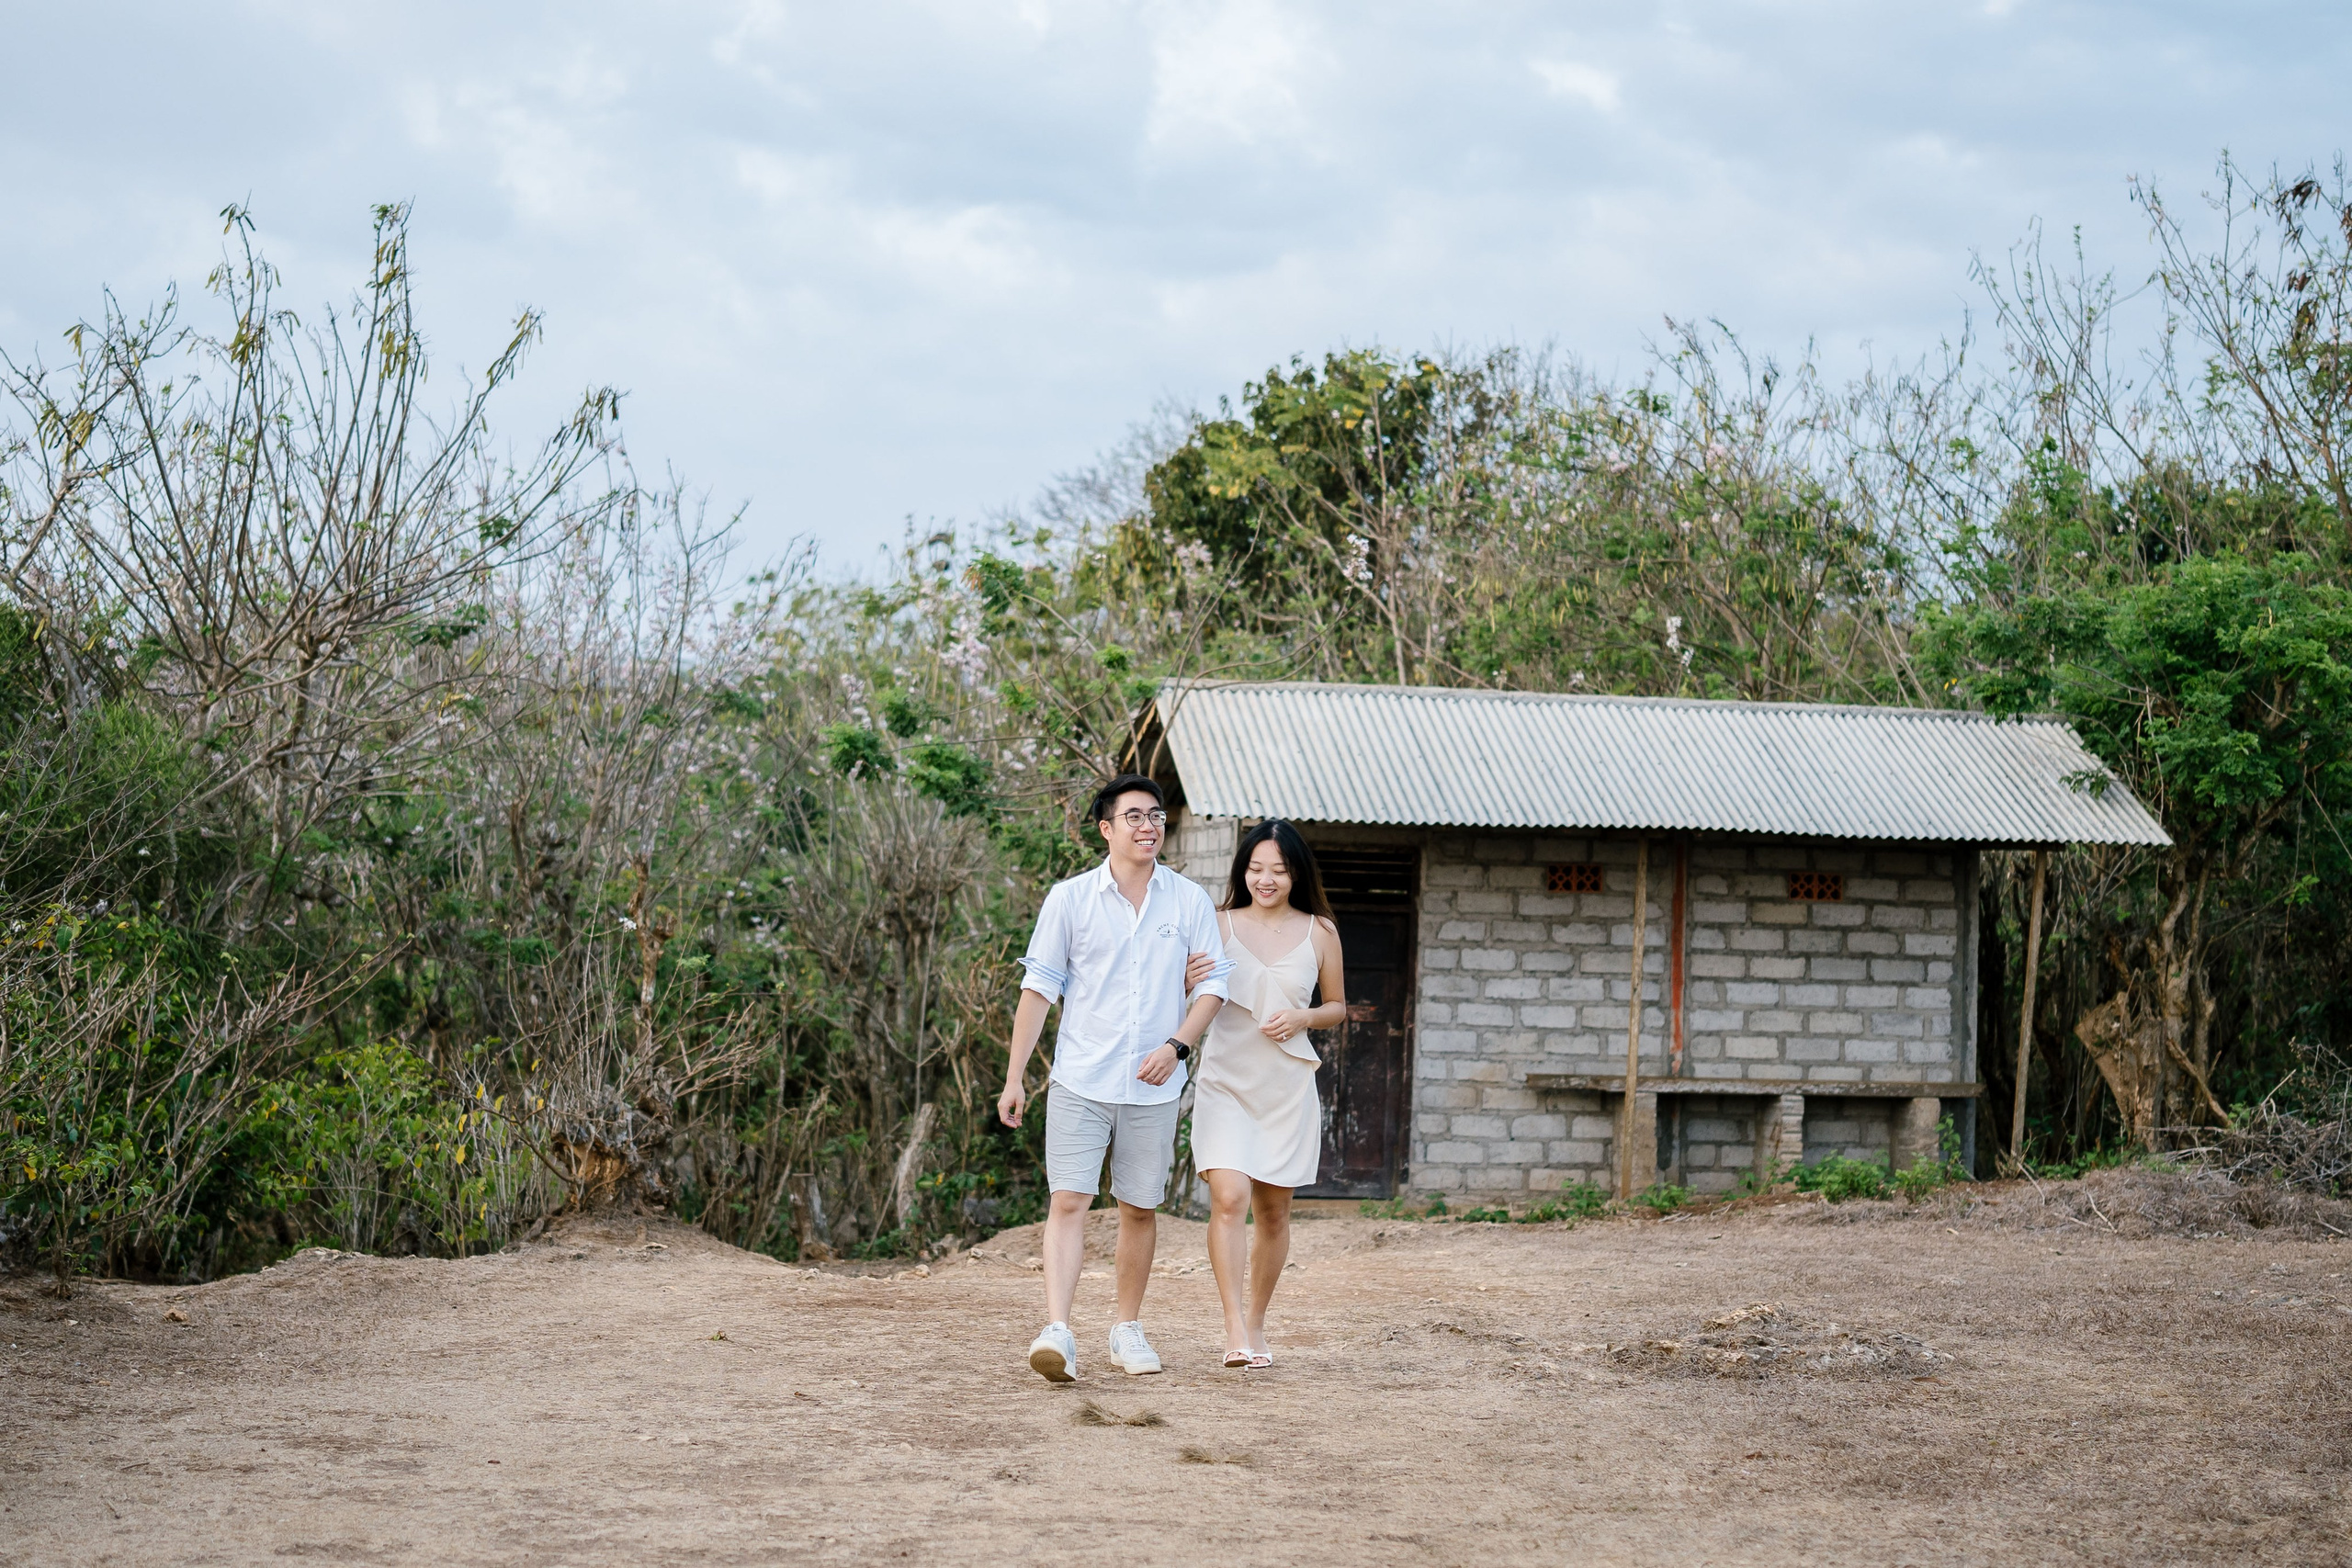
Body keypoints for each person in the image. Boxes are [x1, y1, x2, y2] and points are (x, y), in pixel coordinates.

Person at [999, 773, 1228, 1383]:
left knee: (1139, 1207)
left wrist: (1177, 1046)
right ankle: (1059, 1330)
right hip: (1080, 1078)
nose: (1148, 825)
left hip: (1154, 1085)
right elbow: (1039, 988)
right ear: (1107, 828)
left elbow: (1213, 987)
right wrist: (1015, 1077)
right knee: (1069, 1199)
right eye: (1133, 816)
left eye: (1155, 815)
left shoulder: (1188, 901)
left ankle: (1127, 1328)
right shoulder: (1069, 899)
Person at [1191, 819, 1346, 1370]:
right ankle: (1233, 1327)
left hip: (1286, 1086)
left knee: (1274, 1214)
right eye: (1256, 868)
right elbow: (1190, 987)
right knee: (1230, 1197)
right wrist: (1187, 979)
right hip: (1225, 1082)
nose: (1266, 879)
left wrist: (1304, 1016)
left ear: (1296, 874)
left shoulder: (1320, 931)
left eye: (1278, 870)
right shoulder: (1216, 924)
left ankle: (1256, 1320)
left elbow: (1337, 1006)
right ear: (1243, 871)